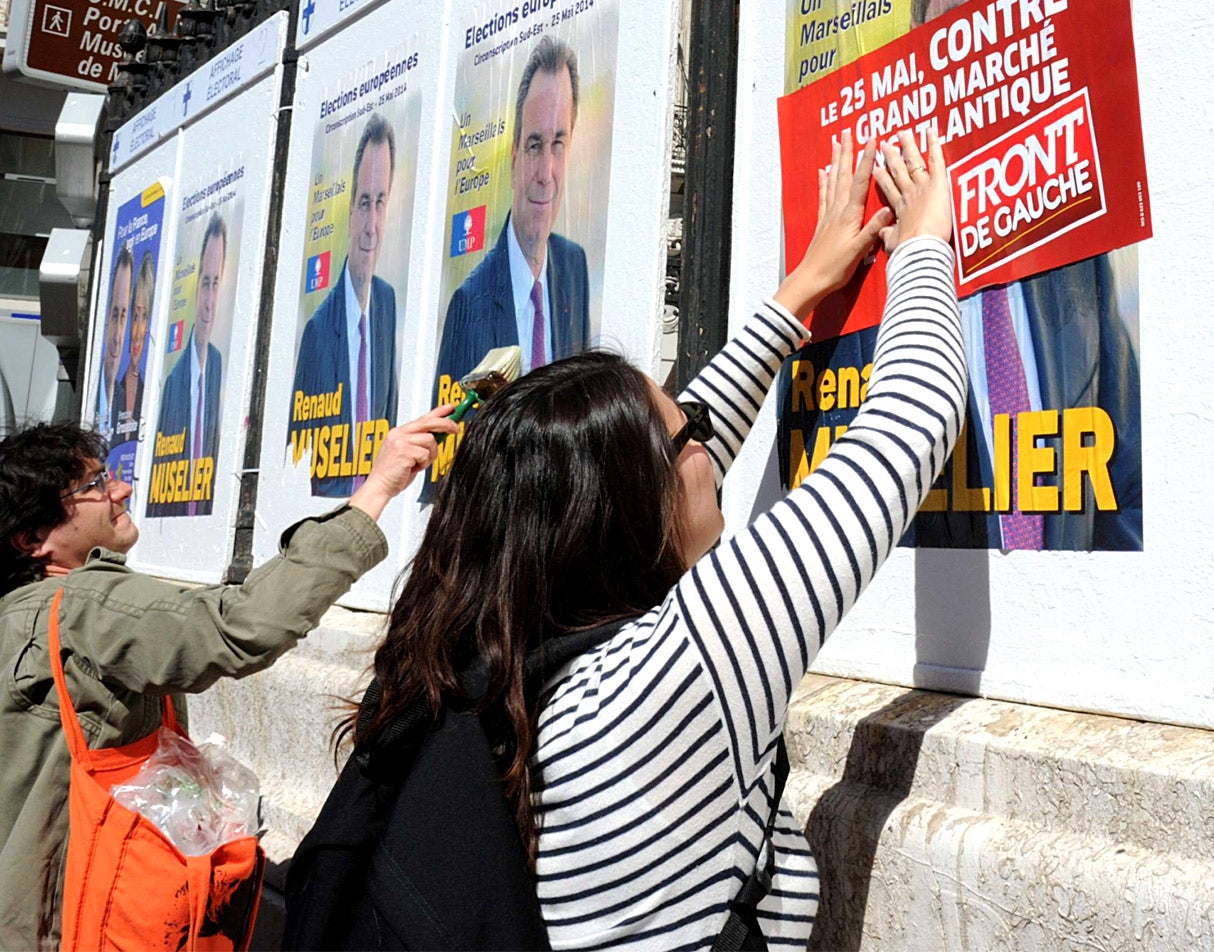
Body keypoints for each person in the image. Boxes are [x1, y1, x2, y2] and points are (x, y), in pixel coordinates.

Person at [325, 132, 964, 949]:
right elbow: (911, 423)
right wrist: (920, 249)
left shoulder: (489, 664)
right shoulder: (674, 669)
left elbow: (675, 449)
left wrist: (799, 292)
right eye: (682, 442)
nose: (705, 448)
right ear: (626, 516)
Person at [0, 404, 456, 950]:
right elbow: (246, 624)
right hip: (73, 923)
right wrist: (376, 491)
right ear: (33, 539)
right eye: (94, 486)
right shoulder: (83, 605)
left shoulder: (19, 613)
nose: (120, 491)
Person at [906, 0, 1142, 549]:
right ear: (917, 42)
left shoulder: (1080, 258)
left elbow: (1126, 489)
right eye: (958, 25)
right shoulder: (872, 270)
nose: (985, 54)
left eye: (1008, 14)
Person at [436, 38, 592, 396]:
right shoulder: (470, 301)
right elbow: (453, 439)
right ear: (514, 158)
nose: (546, 172)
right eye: (535, 145)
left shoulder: (574, 266)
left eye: (559, 144)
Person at [293, 115, 401, 498]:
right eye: (364, 203)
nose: (372, 224)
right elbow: (299, 458)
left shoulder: (387, 303)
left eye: (381, 203)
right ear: (350, 210)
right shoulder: (318, 331)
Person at [154, 216, 229, 517]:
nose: (210, 301)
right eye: (205, 284)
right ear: (195, 287)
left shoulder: (218, 365)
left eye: (216, 284)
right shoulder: (173, 382)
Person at [116, 249, 154, 455]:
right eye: (135, 316)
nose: (138, 331)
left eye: (145, 317)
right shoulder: (114, 391)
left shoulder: (153, 393)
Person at [92, 245, 131, 438]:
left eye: (123, 316)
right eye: (114, 315)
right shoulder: (90, 393)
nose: (117, 337)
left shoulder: (123, 400)